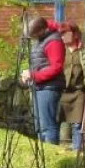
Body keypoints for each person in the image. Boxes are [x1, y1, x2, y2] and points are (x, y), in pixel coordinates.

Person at [20, 17, 65, 145]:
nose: (32, 38)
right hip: (39, 85)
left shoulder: (54, 42)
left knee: (47, 125)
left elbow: (56, 67)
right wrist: (28, 74)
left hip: (49, 87)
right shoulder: (42, 40)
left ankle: (51, 154)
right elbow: (40, 63)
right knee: (39, 126)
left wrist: (33, 75)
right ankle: (44, 153)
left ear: (41, 31)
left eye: (33, 35)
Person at [59, 22, 85, 151]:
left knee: (77, 122)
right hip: (62, 91)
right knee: (60, 120)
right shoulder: (60, 49)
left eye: (66, 33)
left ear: (75, 34)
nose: (63, 36)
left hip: (79, 90)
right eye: (61, 33)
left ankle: (77, 149)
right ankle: (60, 147)